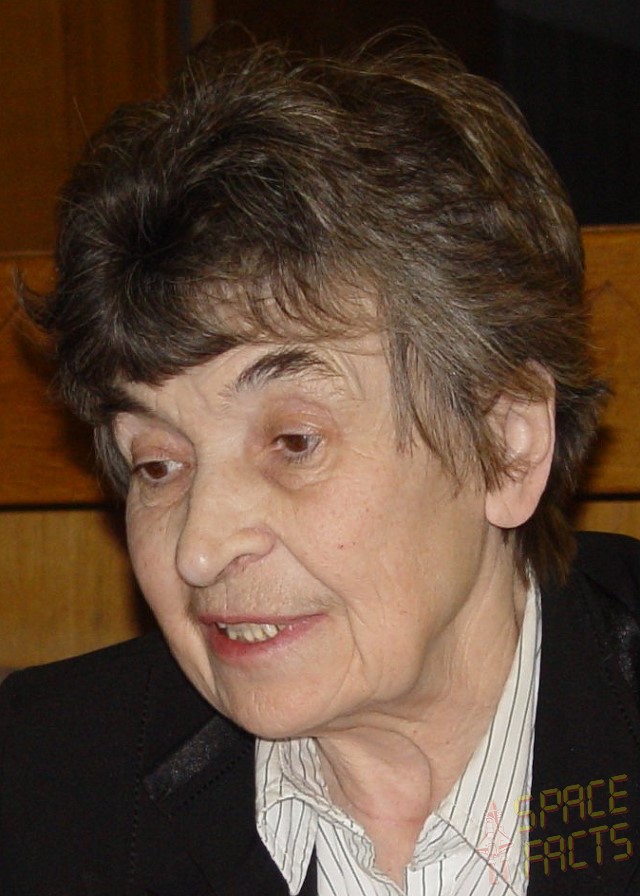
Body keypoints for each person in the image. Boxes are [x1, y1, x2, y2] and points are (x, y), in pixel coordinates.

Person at [1, 29, 638, 896]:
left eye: (293, 442)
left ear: (505, 445)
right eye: (156, 464)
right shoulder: (39, 785)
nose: (199, 548)